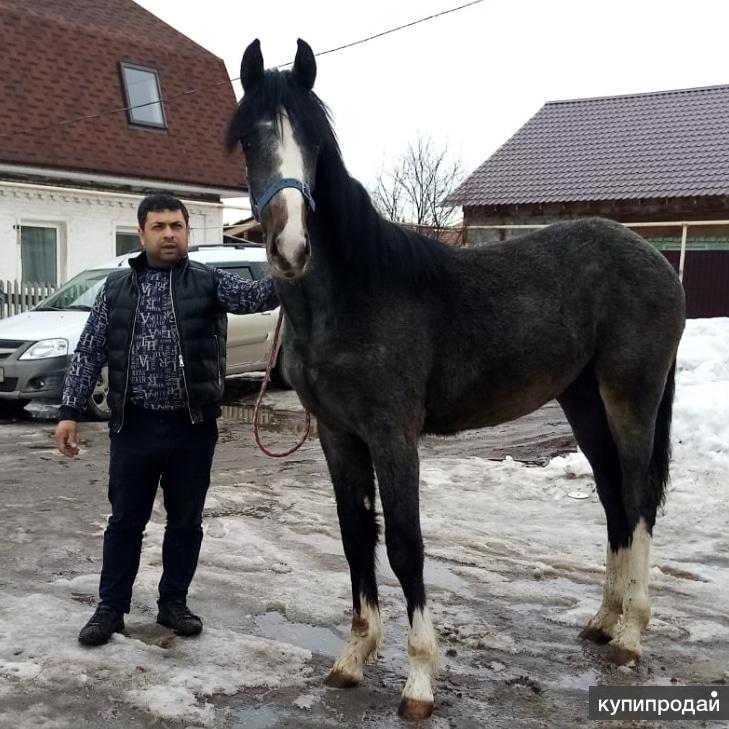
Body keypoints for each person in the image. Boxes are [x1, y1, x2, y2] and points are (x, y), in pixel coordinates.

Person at [55, 193, 279, 647]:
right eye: (158, 227)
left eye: (176, 226)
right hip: (133, 426)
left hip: (192, 427)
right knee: (125, 522)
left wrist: (289, 251)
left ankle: (173, 604)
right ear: (141, 234)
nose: (169, 234)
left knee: (185, 523)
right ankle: (110, 608)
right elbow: (90, 350)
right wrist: (69, 411)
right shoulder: (116, 289)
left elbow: (259, 296)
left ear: (188, 232)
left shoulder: (208, 282)